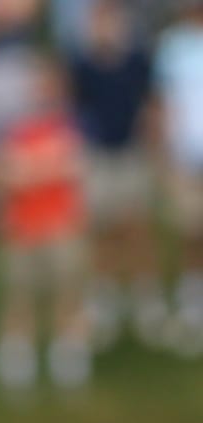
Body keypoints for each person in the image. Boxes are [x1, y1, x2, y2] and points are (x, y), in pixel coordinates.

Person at [0, 58, 91, 392]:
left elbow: (74, 167)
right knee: (18, 295)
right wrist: (45, 166)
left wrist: (28, 169)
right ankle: (18, 357)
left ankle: (68, 356)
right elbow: (3, 174)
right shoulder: (13, 128)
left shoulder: (74, 124)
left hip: (61, 225)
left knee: (66, 292)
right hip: (21, 227)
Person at [69, 0, 161, 349]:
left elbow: (149, 104)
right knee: (101, 228)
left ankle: (144, 296)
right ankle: (104, 296)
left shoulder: (137, 60)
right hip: (98, 155)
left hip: (131, 152)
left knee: (136, 226)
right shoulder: (83, 64)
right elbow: (77, 107)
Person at [156, 0, 203, 350]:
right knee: (191, 231)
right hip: (186, 155)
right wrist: (165, 156)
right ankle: (192, 302)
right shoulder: (172, 45)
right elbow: (163, 103)